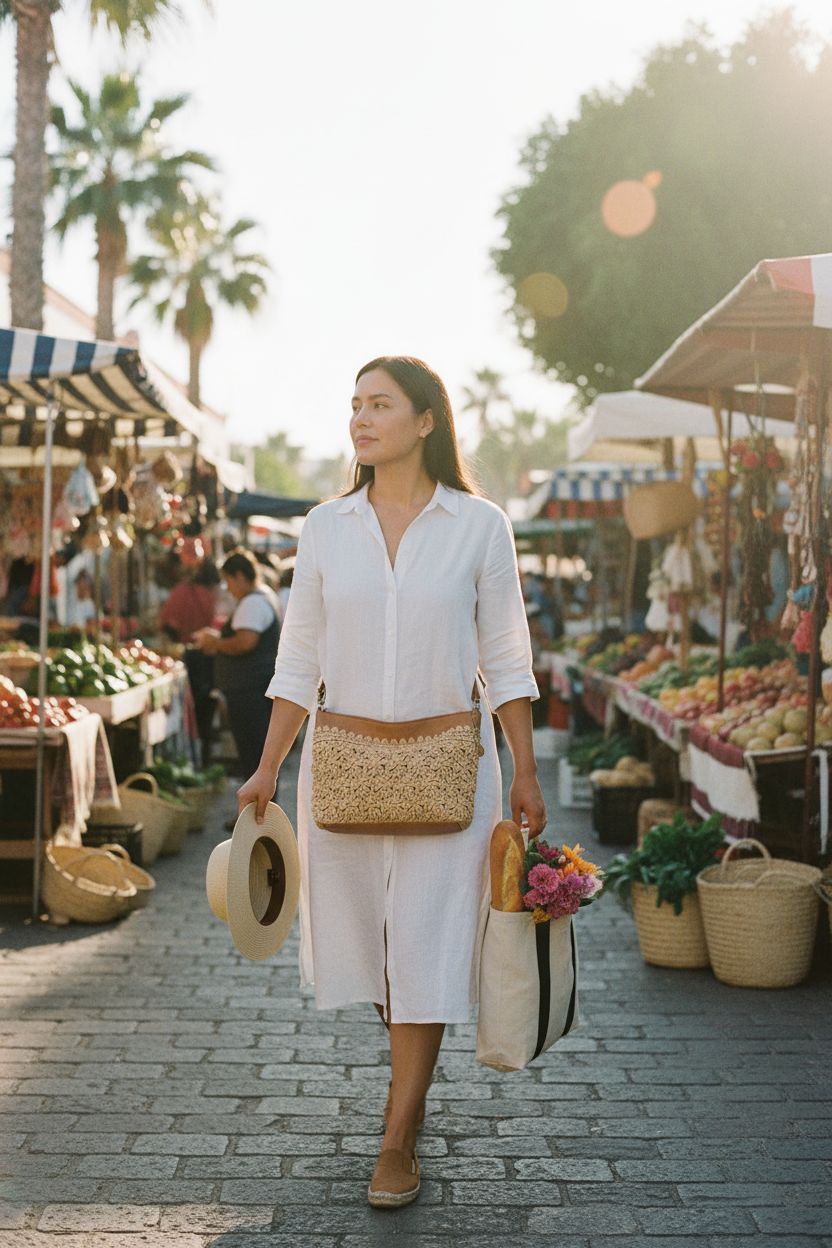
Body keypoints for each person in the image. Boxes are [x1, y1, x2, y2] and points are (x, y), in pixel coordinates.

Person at [237, 356, 545, 1208]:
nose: (361, 419)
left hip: (455, 770)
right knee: (376, 956)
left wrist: (524, 770)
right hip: (342, 768)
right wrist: (266, 765)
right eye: (355, 405)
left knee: (427, 944)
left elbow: (507, 655)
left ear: (425, 422)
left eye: (380, 404)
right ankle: (409, 1072)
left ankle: (398, 1131)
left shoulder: (480, 526)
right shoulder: (327, 527)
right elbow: (298, 656)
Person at [195, 549, 280, 781]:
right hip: (254, 687)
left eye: (228, 581)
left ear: (241, 576)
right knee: (255, 752)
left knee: (252, 751)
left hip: (249, 690)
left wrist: (216, 642)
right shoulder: (263, 596)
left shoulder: (253, 603)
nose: (228, 588)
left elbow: (245, 642)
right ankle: (254, 814)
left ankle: (256, 814)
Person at [161, 559, 222, 766]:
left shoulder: (181, 592)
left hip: (190, 657)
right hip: (211, 659)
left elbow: (167, 624)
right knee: (206, 712)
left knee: (191, 712)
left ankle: (192, 761)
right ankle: (204, 759)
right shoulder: (214, 595)